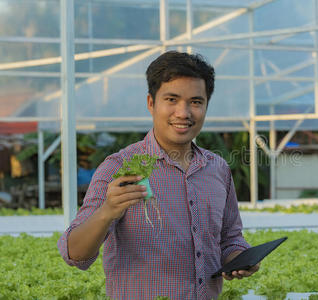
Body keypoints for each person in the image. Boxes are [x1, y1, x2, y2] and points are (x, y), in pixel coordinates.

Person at [57, 51, 259, 300]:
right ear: (151, 103)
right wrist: (108, 211)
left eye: (196, 102)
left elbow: (230, 238)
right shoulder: (118, 168)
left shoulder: (217, 168)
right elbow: (74, 254)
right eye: (172, 99)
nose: (184, 113)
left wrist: (241, 259)